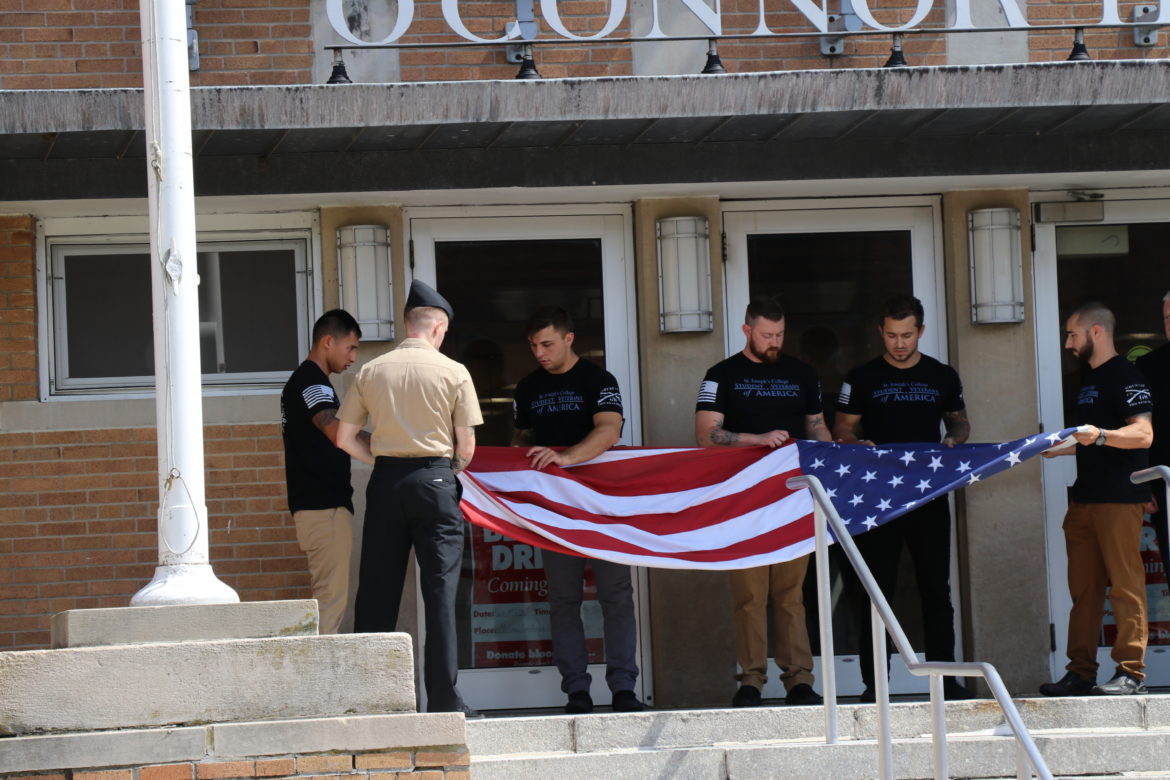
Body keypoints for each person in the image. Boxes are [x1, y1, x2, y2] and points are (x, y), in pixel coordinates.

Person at [335, 280, 484, 716]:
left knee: (377, 592)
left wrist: (380, 458)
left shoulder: (371, 371)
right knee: (440, 594)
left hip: (386, 483)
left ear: (407, 325)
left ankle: (371, 701)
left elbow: (344, 437)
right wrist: (444, 474)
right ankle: (443, 701)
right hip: (435, 481)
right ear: (438, 329)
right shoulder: (454, 372)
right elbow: (467, 447)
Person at [833, 294, 974, 702]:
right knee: (876, 591)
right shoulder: (860, 377)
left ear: (921, 332)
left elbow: (960, 422)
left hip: (928, 493)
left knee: (936, 588)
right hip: (877, 497)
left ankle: (946, 680)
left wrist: (954, 439)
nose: (899, 343)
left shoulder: (942, 375)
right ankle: (874, 685)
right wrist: (857, 442)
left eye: (907, 335)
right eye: (892, 335)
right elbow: (842, 429)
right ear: (881, 331)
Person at [695, 296, 830, 707]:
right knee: (749, 596)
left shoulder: (802, 373)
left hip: (792, 498)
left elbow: (817, 425)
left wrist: (833, 455)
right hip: (744, 499)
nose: (774, 342)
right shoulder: (721, 374)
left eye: (780, 335)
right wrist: (757, 439)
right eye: (767, 335)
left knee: (791, 594)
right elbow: (706, 434)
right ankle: (750, 680)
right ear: (747, 331)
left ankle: (799, 680)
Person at [511, 306, 645, 714]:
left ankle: (623, 688)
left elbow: (609, 430)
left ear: (569, 339)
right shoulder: (528, 387)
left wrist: (565, 459)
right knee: (563, 598)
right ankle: (577, 692)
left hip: (601, 501)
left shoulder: (598, 379)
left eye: (547, 343)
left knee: (616, 595)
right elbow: (520, 444)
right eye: (534, 345)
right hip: (554, 508)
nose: (539, 352)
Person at [1040, 301, 1153, 696]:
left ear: (1096, 332)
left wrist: (1100, 435)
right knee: (1084, 592)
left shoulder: (1125, 375)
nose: (1068, 343)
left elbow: (1143, 435)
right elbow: (1093, 438)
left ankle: (1131, 672)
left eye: (1073, 334)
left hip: (1120, 498)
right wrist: (1063, 447)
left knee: (1125, 586)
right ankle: (1080, 672)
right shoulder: (1087, 379)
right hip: (1084, 499)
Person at [280, 309, 363, 635]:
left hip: (319, 507)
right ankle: (320, 680)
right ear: (328, 341)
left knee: (329, 598)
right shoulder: (311, 382)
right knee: (331, 601)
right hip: (323, 508)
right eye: (351, 348)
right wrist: (390, 449)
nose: (353, 357)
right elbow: (336, 432)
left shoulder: (310, 381)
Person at [1135, 291, 1170, 575]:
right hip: (1166, 482)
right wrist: (1145, 483)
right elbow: (1138, 429)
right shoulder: (1148, 367)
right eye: (1167, 319)